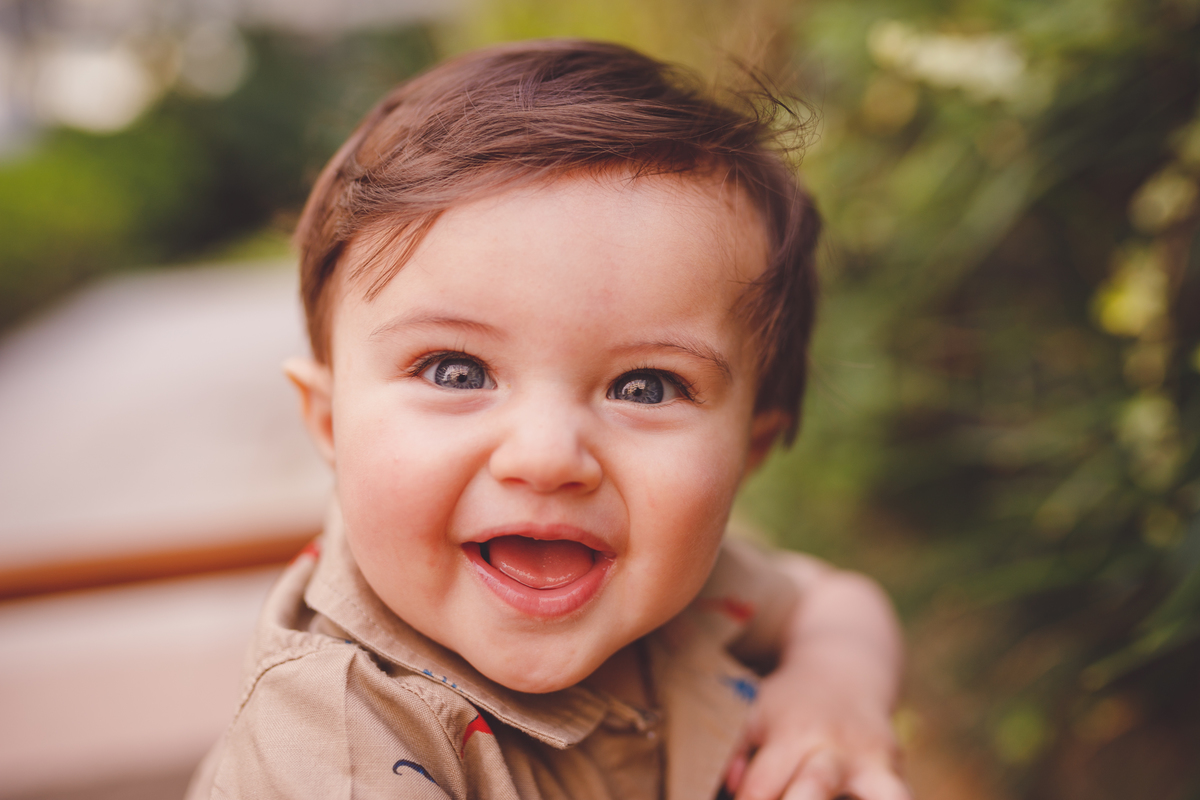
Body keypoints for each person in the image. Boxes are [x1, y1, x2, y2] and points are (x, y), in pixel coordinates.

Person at [186, 39, 909, 800]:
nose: (547, 456)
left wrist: (838, 691)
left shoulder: (686, 584)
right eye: (456, 372)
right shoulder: (340, 739)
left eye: (647, 386)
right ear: (331, 423)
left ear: (747, 449)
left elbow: (836, 600)